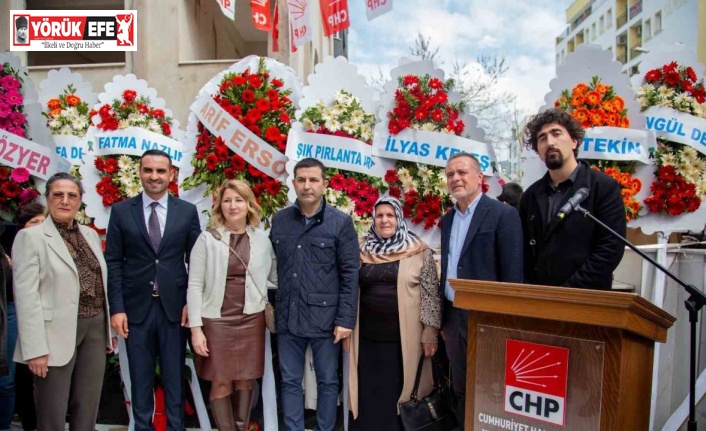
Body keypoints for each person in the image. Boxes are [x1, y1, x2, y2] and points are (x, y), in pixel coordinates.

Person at [105, 149, 201, 431]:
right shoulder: (122, 211)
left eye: (161, 171)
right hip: (136, 309)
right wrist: (118, 307)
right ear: (140, 173)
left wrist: (191, 305)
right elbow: (114, 262)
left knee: (174, 377)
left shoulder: (187, 211)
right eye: (148, 170)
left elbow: (196, 261)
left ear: (171, 175)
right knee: (140, 376)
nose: (154, 176)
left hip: (174, 309)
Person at [12, 173, 115, 431]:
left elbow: (101, 284)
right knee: (52, 412)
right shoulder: (30, 238)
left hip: (94, 328)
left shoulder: (90, 235)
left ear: (80, 201)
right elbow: (27, 297)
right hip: (52, 333)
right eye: (58, 194)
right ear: (47, 198)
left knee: (87, 407)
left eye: (72, 195)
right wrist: (34, 349)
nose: (65, 201)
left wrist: (107, 332)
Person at [269, 157, 359, 431]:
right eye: (301, 180)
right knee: (289, 381)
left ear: (324, 184)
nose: (307, 186)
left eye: (313, 180)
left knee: (328, 381)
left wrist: (345, 320)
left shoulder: (340, 223)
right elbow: (270, 266)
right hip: (288, 317)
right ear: (294, 183)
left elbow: (350, 273)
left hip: (326, 320)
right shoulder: (280, 220)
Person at [440, 153, 524, 425]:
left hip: (487, 319)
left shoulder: (503, 214)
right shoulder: (448, 220)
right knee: (461, 386)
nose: (456, 178)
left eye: (462, 172)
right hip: (453, 317)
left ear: (480, 177)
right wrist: (443, 318)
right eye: (450, 174)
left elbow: (513, 275)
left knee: (491, 388)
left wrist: (507, 323)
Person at [187, 179, 277, 431]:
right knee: (221, 382)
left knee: (246, 381)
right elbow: (194, 286)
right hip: (216, 321)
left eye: (239, 200)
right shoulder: (207, 240)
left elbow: (274, 276)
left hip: (251, 320)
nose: (233, 205)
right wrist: (196, 329)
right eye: (227, 200)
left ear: (249, 205)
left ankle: (241, 427)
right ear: (219, 206)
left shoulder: (262, 239)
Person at [346, 196, 441, 431]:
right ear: (373, 219)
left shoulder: (418, 251)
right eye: (379, 215)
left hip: (404, 341)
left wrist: (430, 330)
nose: (384, 220)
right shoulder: (360, 249)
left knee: (401, 392)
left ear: (399, 219)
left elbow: (431, 293)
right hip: (366, 339)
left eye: (390, 215)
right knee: (369, 392)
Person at [520, 108, 626, 290]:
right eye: (542, 138)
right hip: (541, 301)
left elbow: (610, 248)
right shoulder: (530, 196)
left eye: (556, 133)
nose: (550, 142)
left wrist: (569, 291)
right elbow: (525, 253)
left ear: (574, 141)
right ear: (538, 150)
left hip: (587, 301)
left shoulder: (603, 187)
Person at [0, 203, 45, 431]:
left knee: (9, 378)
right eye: (33, 223)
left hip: (14, 311)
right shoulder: (10, 241)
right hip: (12, 309)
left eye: (41, 223)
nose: (37, 228)